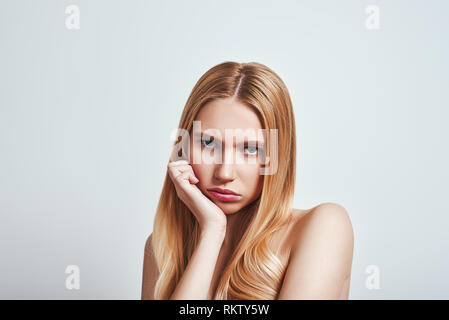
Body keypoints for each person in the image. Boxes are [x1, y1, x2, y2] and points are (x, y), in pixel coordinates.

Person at [141, 61, 354, 300]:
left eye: (250, 149)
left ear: (278, 156)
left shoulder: (323, 226)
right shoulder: (163, 247)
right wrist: (212, 232)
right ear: (185, 147)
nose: (225, 172)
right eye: (208, 143)